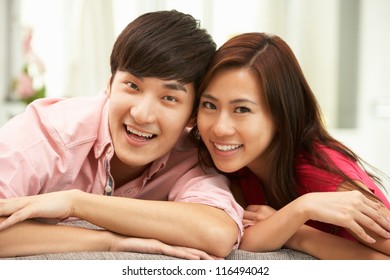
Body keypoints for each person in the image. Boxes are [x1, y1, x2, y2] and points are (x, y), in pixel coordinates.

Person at [0, 10, 244, 259]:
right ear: (109, 84)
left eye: (169, 98)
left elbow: (217, 233)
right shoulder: (50, 134)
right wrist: (109, 241)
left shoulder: (188, 155)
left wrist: (76, 203)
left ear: (192, 115)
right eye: (132, 86)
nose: (142, 114)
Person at [190, 32, 390, 259]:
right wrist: (291, 218)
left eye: (242, 109)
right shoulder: (233, 165)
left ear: (281, 116)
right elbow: (242, 240)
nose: (219, 128)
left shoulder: (320, 172)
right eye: (209, 105)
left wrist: (298, 227)